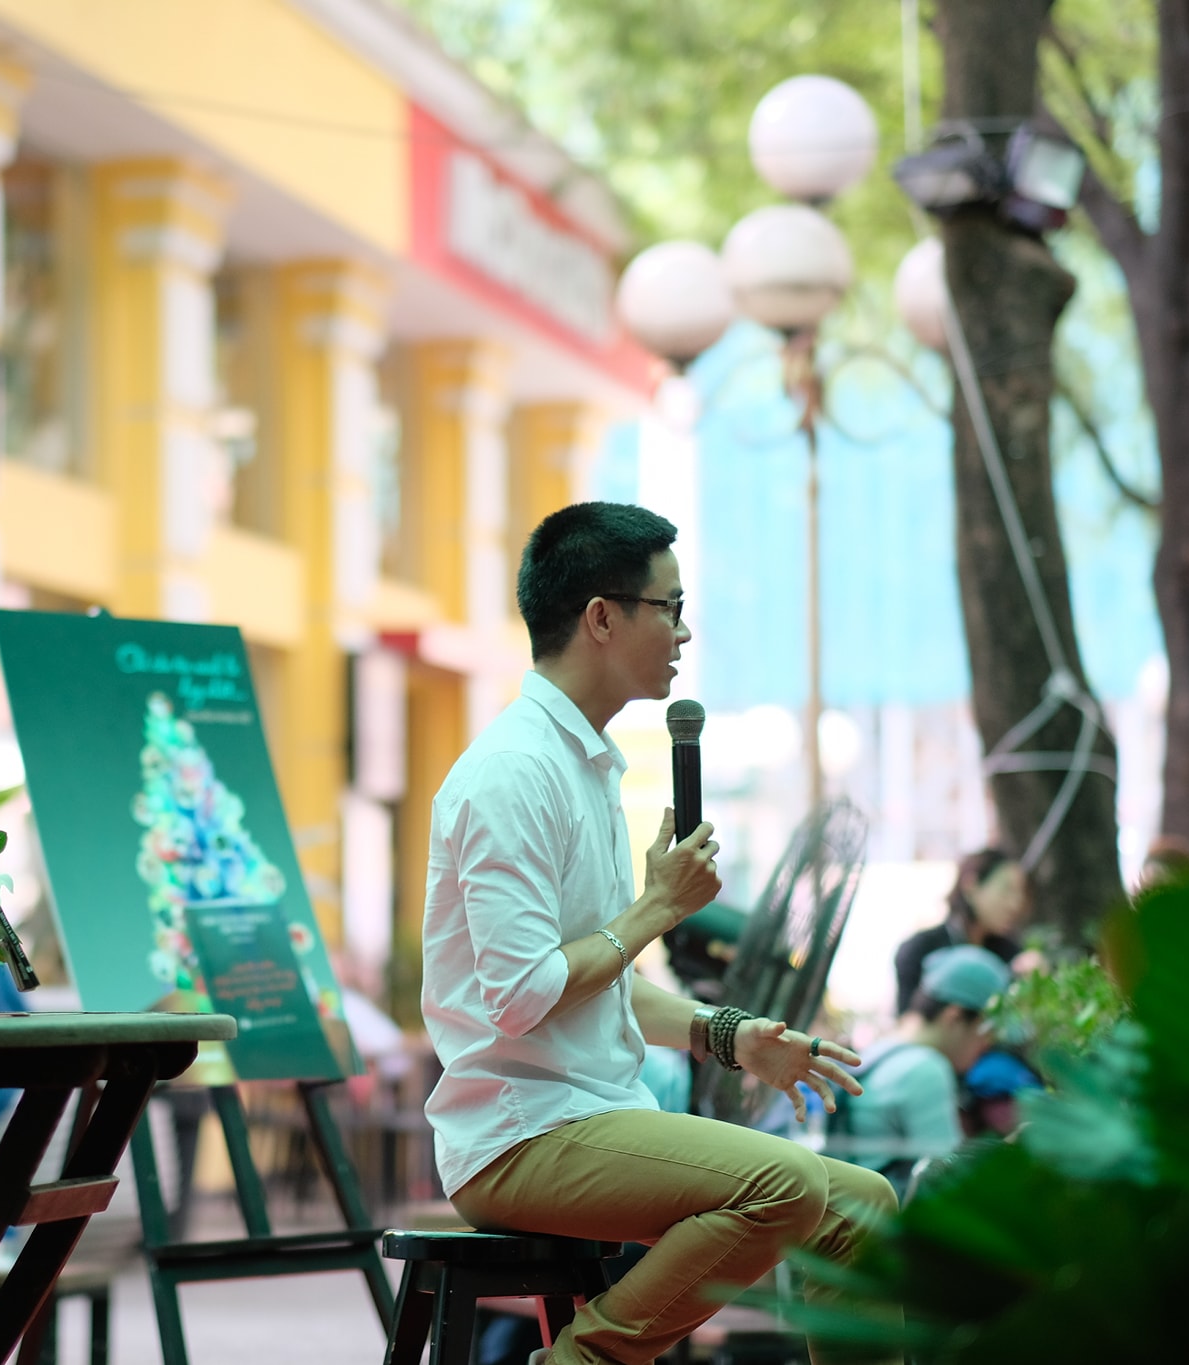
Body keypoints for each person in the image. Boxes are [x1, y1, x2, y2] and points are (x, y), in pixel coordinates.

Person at [421, 502, 898, 1365]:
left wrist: (732, 1035)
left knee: (861, 1206)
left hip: (595, 1115)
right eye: (669, 607)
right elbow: (523, 994)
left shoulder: (588, 764)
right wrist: (654, 910)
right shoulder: (511, 773)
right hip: (519, 1132)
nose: (683, 631)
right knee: (782, 1182)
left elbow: (600, 976)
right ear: (603, 617)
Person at [838, 945, 1012, 1200]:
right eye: (986, 1030)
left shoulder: (881, 1050)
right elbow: (949, 1185)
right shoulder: (926, 1069)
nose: (988, 1043)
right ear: (954, 1017)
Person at [892, 848, 1032, 1016]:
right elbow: (909, 1022)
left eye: (1019, 893)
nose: (1015, 904)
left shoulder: (1012, 956)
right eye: (1006, 890)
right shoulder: (919, 949)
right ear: (971, 885)